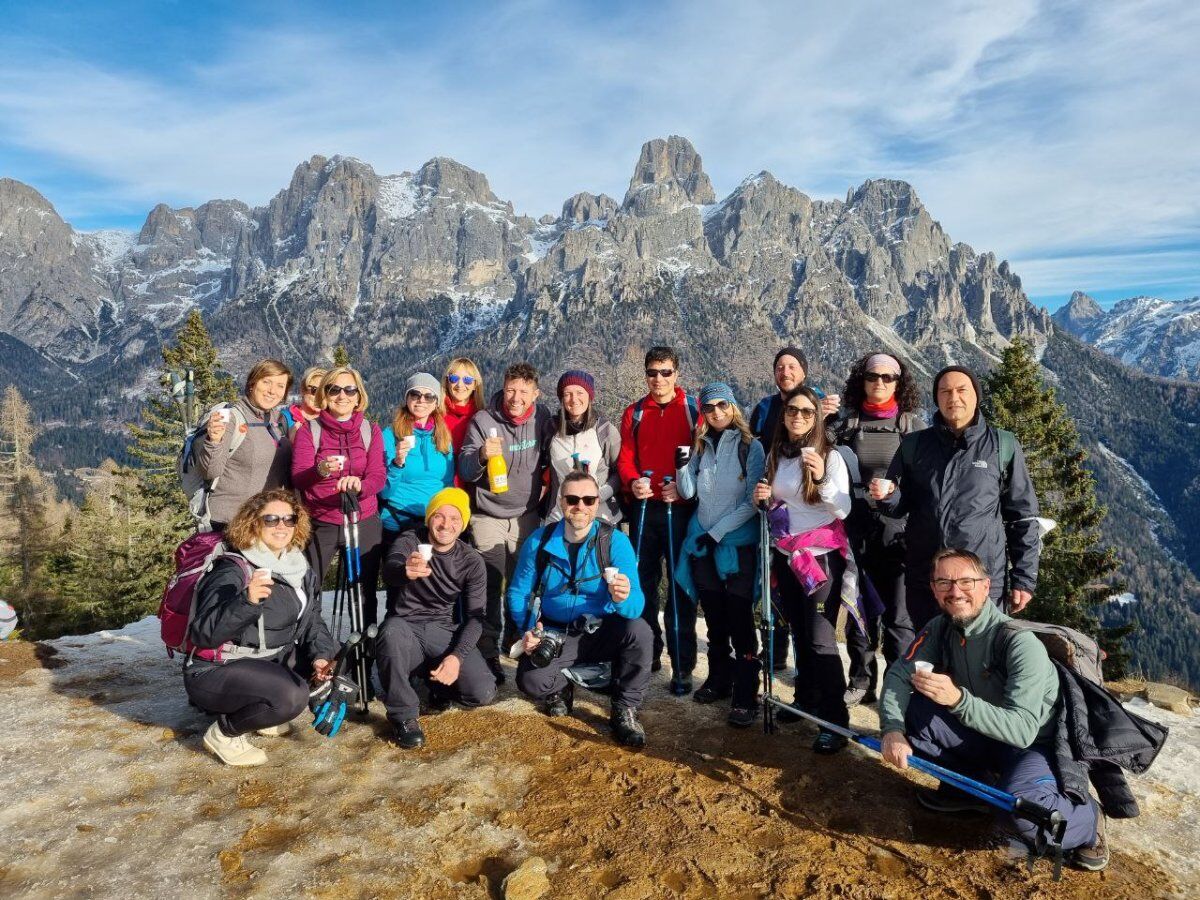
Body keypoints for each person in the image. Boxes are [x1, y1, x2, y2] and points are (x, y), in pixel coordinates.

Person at [878, 549, 1106, 871]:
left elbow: (1023, 729)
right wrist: (892, 729)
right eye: (944, 582)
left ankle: (1088, 820)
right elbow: (901, 674)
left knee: (1021, 812)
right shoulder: (941, 628)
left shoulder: (1018, 643)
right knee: (914, 714)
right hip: (984, 736)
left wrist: (958, 700)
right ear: (933, 589)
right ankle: (969, 791)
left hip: (1033, 746)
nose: (955, 591)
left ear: (987, 587)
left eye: (966, 581)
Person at [873, 365, 1040, 632]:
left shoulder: (1002, 446)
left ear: (976, 396)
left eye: (962, 390)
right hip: (928, 578)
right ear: (937, 398)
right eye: (945, 391)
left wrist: (1024, 579)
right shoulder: (914, 445)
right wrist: (888, 496)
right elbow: (899, 505)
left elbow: (1023, 517)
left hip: (982, 579)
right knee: (931, 657)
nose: (954, 398)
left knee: (982, 661)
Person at [184, 488, 336, 767]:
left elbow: (313, 619)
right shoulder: (233, 570)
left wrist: (322, 656)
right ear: (253, 522)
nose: (281, 526)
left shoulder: (298, 567)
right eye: (271, 520)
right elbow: (202, 634)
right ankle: (225, 733)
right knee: (292, 696)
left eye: (289, 519)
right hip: (216, 671)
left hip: (266, 661)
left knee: (335, 661)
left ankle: (264, 711)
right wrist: (247, 601)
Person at [508, 471, 651, 747]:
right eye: (572, 499)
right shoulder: (539, 541)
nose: (580, 506)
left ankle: (624, 708)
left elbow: (636, 606)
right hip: (555, 632)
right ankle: (561, 688)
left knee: (640, 632)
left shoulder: (615, 542)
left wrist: (622, 597)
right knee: (530, 681)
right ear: (561, 502)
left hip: (602, 629)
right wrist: (528, 630)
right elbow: (518, 593)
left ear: (597, 503)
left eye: (588, 499)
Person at [753, 387, 855, 753]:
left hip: (820, 556)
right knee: (798, 630)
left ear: (818, 417)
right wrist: (763, 501)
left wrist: (824, 477)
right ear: (784, 415)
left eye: (807, 412)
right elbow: (780, 501)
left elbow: (843, 509)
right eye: (792, 410)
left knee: (819, 637)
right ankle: (807, 698)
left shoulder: (831, 457)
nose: (798, 417)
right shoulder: (777, 454)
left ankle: (836, 721)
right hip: (787, 554)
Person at [668, 383, 766, 727]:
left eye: (722, 405)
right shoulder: (701, 446)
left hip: (734, 544)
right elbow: (690, 492)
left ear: (733, 407)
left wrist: (716, 533)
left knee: (740, 617)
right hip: (703, 542)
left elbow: (752, 503)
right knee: (714, 617)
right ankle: (720, 679)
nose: (717, 412)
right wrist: (682, 466)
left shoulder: (750, 447)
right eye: (709, 408)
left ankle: (746, 690)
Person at [833, 353, 925, 706]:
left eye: (890, 378)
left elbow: (925, 484)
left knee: (899, 617)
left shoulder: (912, 428)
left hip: (899, 531)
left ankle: (897, 685)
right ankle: (861, 680)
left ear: (899, 383)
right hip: (855, 529)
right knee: (859, 610)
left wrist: (896, 492)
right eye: (874, 376)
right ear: (863, 379)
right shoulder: (845, 424)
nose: (881, 383)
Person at [376, 487, 496, 749]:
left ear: (463, 524)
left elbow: (476, 617)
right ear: (429, 518)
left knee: (482, 692)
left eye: (455, 518)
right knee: (391, 632)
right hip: (405, 627)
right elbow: (392, 567)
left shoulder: (471, 560)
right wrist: (405, 571)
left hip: (442, 628)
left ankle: (435, 684)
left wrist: (456, 657)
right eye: (439, 516)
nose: (446, 524)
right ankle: (403, 716)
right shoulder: (410, 541)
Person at [458, 362, 555, 684]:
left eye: (524, 392)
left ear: (535, 394)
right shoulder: (484, 420)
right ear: (503, 386)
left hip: (527, 514)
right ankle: (488, 654)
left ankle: (515, 646)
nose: (516, 397)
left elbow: (552, 456)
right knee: (489, 585)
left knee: (522, 585)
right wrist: (483, 455)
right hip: (488, 515)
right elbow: (467, 470)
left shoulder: (542, 418)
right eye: (511, 389)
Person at [747, 346, 838, 670]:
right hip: (778, 524)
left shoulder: (819, 403)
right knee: (778, 596)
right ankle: (776, 658)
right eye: (780, 366)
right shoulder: (765, 407)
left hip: (814, 538)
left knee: (811, 623)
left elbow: (834, 449)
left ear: (804, 371)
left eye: (792, 366)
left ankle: (809, 677)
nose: (785, 372)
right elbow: (756, 448)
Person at [617, 345, 698, 694]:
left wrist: (682, 491)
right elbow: (625, 457)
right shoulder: (634, 413)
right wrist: (633, 481)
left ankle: (682, 666)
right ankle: (647, 653)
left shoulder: (694, 411)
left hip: (679, 511)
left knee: (680, 588)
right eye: (652, 372)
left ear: (676, 374)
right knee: (643, 583)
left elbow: (702, 460)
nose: (659, 379)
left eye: (665, 372)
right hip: (645, 508)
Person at [291, 366, 387, 628]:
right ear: (325, 394)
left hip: (362, 518)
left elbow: (378, 475)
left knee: (364, 590)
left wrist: (360, 486)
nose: (342, 395)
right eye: (334, 389)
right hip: (322, 519)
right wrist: (320, 470)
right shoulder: (309, 431)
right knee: (311, 587)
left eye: (349, 389)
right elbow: (299, 477)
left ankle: (363, 653)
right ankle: (312, 651)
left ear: (358, 396)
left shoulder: (370, 431)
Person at [379, 373, 456, 606]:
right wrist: (397, 463)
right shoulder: (390, 435)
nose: (421, 400)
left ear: (436, 402)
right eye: (415, 394)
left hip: (432, 523)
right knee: (400, 585)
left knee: (433, 585)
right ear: (407, 398)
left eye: (428, 396)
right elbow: (384, 492)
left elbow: (447, 482)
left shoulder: (443, 436)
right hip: (397, 520)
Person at [193, 359, 294, 531]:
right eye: (266, 382)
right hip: (232, 522)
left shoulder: (277, 420)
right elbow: (210, 471)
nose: (272, 391)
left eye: (280, 385)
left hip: (268, 521)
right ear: (252, 384)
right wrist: (214, 441)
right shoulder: (232, 417)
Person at [545, 370, 622, 525]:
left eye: (580, 392)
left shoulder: (604, 430)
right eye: (567, 394)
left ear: (589, 396)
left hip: (602, 516)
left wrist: (598, 495)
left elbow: (619, 472)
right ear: (561, 398)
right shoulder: (551, 429)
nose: (574, 399)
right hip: (559, 516)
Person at [442, 358, 485, 484]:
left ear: (475, 384)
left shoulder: (483, 418)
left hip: (474, 487)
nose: (460, 385)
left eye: (467, 380)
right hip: (442, 487)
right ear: (447, 381)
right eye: (454, 379)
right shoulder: (435, 416)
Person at [285, 366, 328, 431]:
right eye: (315, 390)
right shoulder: (286, 418)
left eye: (325, 392)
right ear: (303, 390)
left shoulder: (330, 422)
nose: (320, 396)